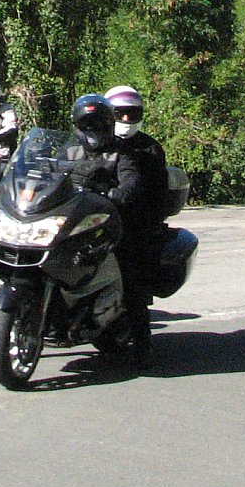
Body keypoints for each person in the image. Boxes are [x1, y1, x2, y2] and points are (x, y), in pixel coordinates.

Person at [61, 91, 167, 365]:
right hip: (76, 220)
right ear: (77, 126)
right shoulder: (69, 150)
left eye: (99, 124)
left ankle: (142, 344)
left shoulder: (123, 152)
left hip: (115, 221)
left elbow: (131, 181)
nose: (93, 130)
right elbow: (48, 171)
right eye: (87, 125)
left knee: (129, 272)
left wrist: (119, 194)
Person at [102, 84, 170, 362]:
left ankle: (142, 345)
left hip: (133, 224)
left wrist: (145, 217)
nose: (127, 119)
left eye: (133, 113)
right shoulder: (95, 142)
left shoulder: (149, 148)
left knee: (132, 280)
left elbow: (158, 193)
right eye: (121, 113)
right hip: (96, 219)